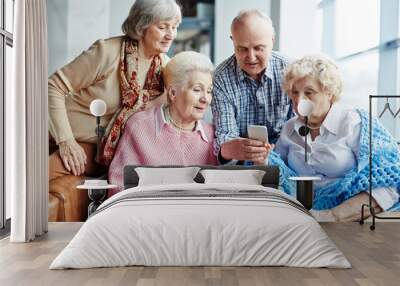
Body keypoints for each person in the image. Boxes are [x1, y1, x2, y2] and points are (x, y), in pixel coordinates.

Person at [48, 0, 182, 221]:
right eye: (163, 26)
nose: (171, 35)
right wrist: (66, 141)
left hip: (102, 151)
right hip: (61, 136)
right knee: (28, 181)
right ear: (142, 25)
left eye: (174, 27)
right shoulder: (107, 52)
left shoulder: (165, 69)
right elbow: (53, 86)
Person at [272, 54, 400, 221]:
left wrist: (332, 215)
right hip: (301, 209)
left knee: (384, 187)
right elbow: (278, 170)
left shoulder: (355, 123)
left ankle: (329, 218)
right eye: (294, 92)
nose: (298, 101)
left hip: (346, 210)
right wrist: (264, 156)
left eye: (309, 93)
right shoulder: (289, 127)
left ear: (329, 92)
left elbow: (389, 180)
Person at [108, 51, 218, 194]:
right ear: (173, 93)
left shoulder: (212, 134)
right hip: (147, 212)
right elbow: (119, 184)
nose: (206, 99)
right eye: (197, 90)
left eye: (209, 91)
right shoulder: (140, 126)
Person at [211, 9, 292, 165]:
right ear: (232, 41)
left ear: (272, 41)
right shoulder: (220, 78)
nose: (251, 57)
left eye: (259, 48)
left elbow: (300, 130)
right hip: (243, 165)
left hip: (287, 160)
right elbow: (226, 137)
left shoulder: (289, 70)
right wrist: (231, 148)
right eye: (242, 48)